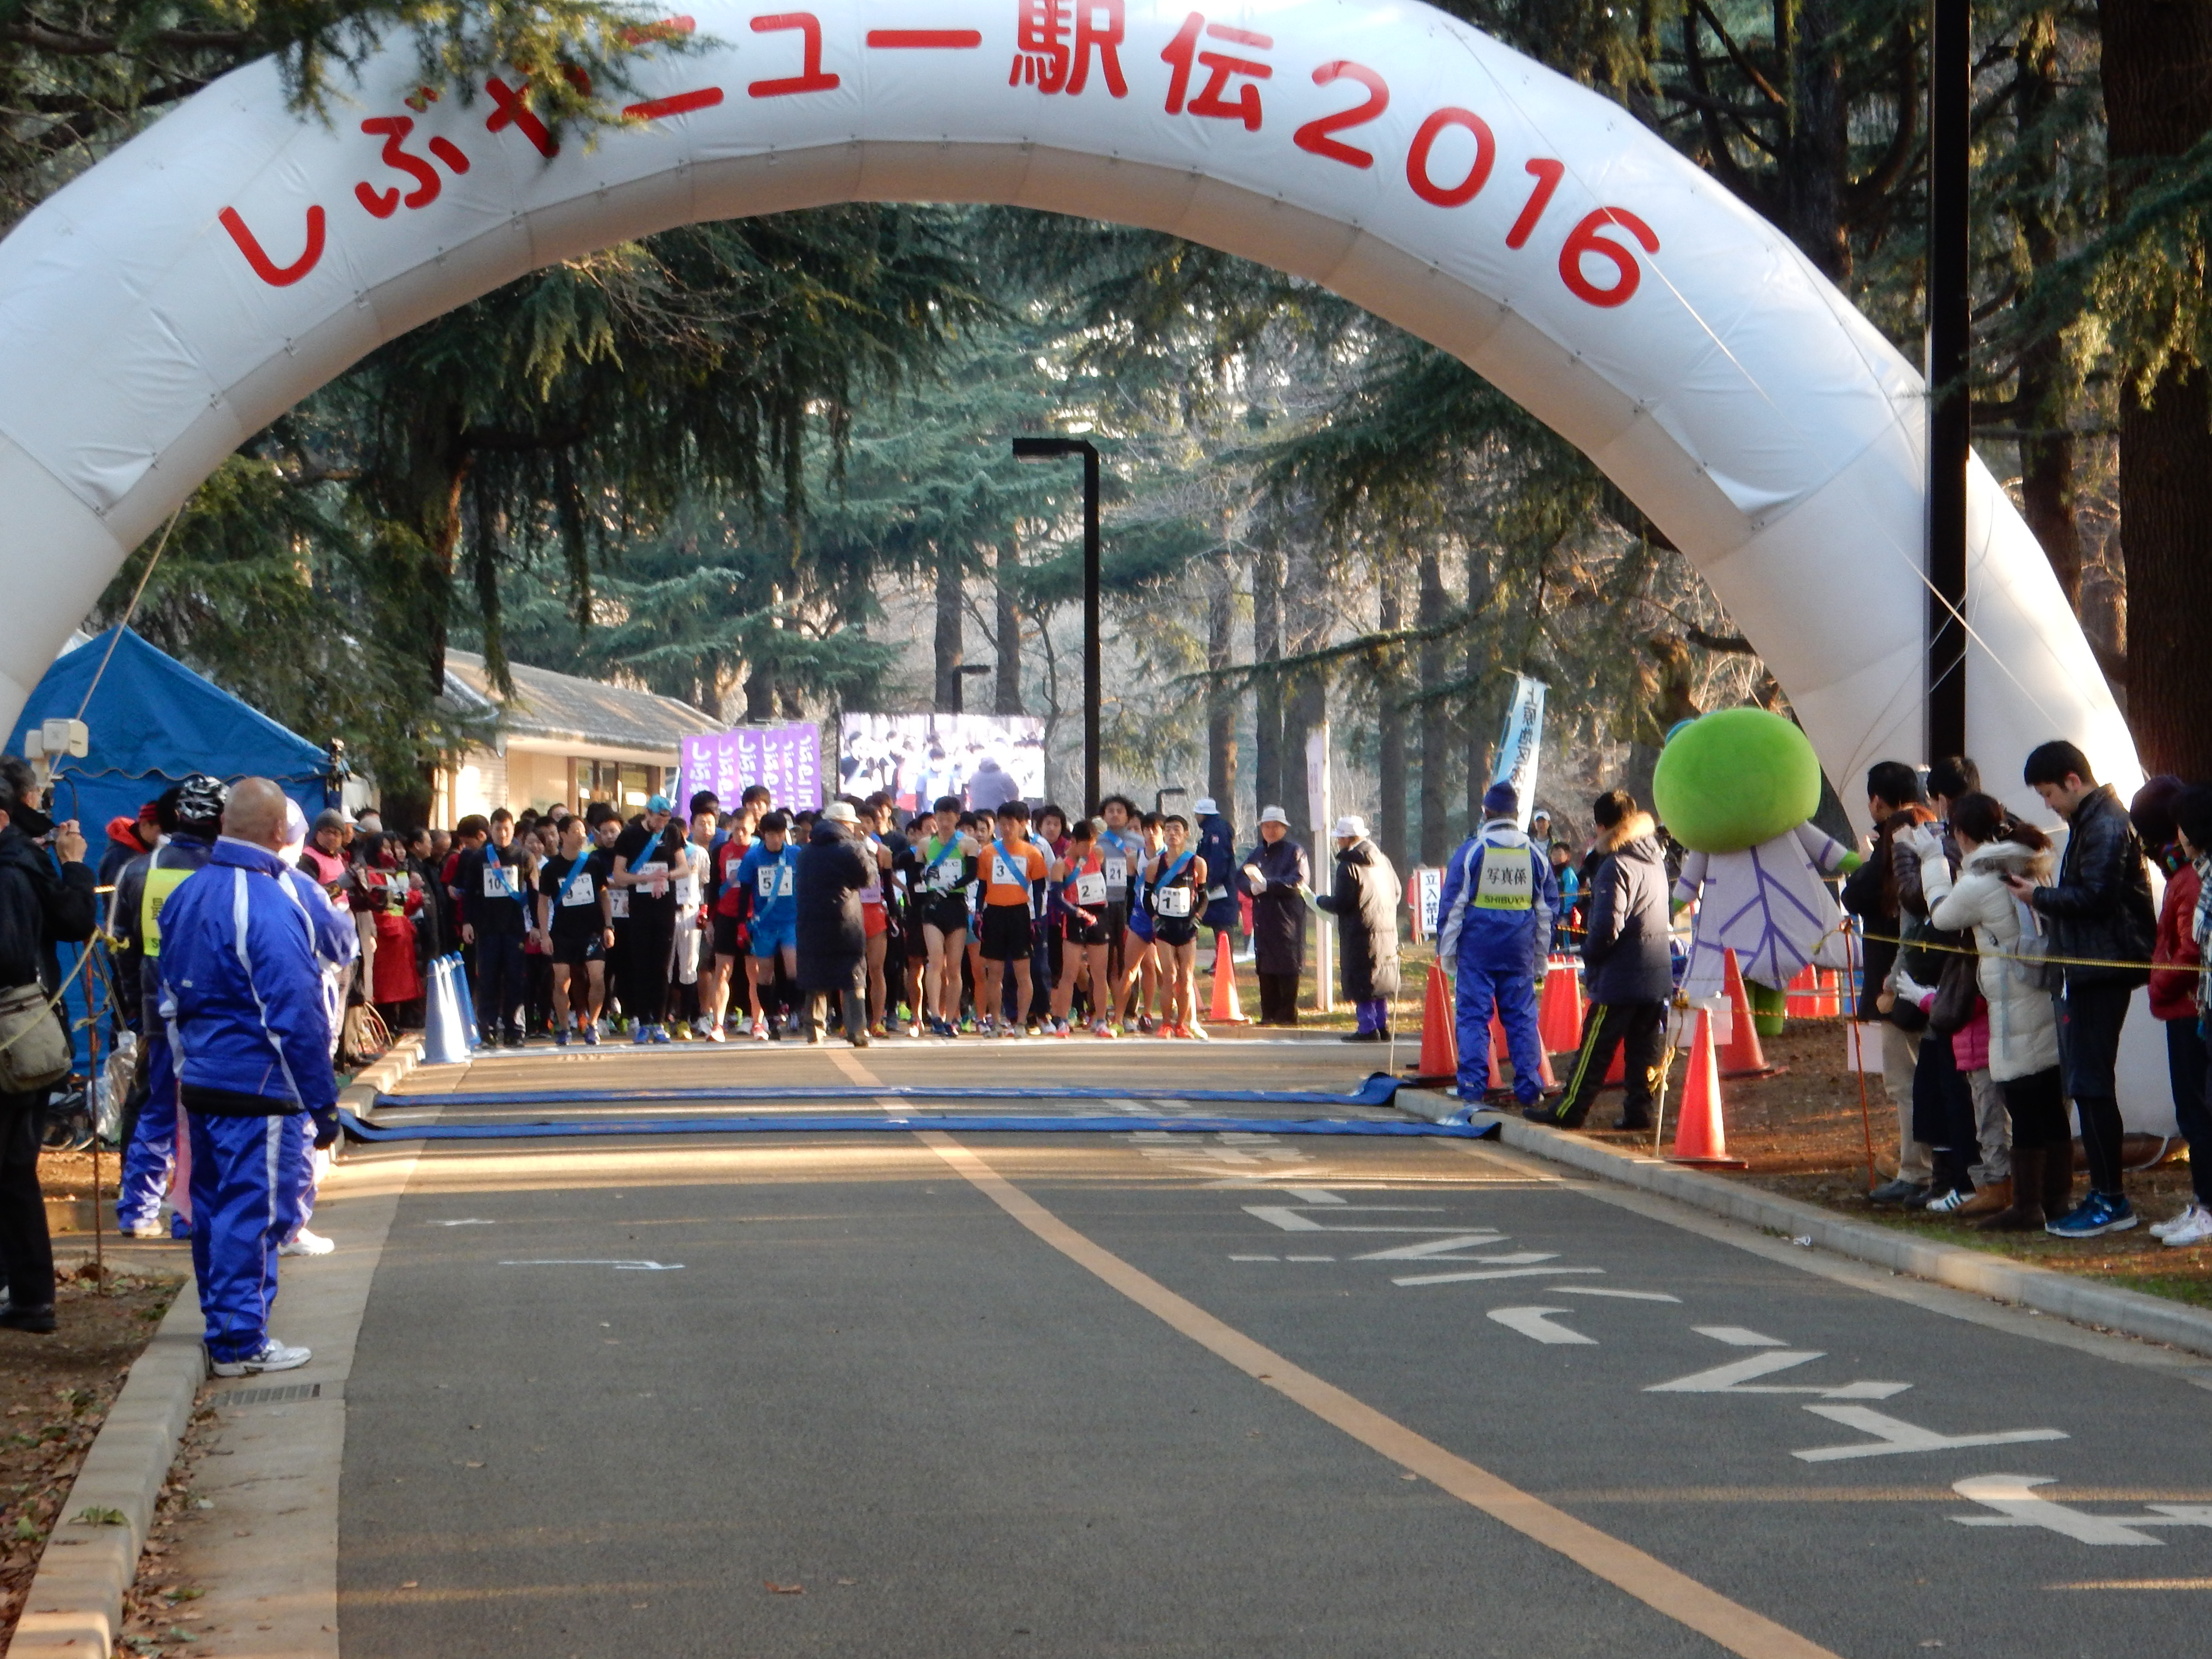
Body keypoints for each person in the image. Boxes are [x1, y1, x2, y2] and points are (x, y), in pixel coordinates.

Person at [157, 779, 337, 1375]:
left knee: (213, 1208)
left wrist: (185, 1070)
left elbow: (170, 994)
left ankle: (226, 1324)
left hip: (204, 1077)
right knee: (252, 1213)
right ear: (278, 832)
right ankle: (240, 1338)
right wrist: (323, 1104)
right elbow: (297, 1014)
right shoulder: (268, 901)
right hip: (257, 1084)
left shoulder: (188, 893)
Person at [2004, 741, 2157, 1238]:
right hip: (2086, 968)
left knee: (2092, 1085)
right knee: (2087, 1085)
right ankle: (2103, 1195)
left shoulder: (2108, 823)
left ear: (2073, 780)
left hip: (2101, 967)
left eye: (2049, 793)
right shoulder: (2092, 823)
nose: (2047, 804)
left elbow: (2096, 896)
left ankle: (2111, 1199)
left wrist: (2038, 896)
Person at [1900, 792, 2066, 1231]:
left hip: (2013, 1003)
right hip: (2046, 993)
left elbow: (1940, 916)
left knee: (2024, 1101)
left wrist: (1934, 860)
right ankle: (2057, 1200)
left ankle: (2028, 1205)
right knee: (2050, 1100)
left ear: (1959, 833)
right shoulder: (2029, 863)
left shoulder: (1980, 880)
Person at [0, 762, 96, 1333]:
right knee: (12, 1168)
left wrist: (77, 870)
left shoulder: (13, 869)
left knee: (12, 1169)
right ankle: (24, 1289)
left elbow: (14, 955)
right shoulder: (24, 861)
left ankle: (32, 1295)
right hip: (26, 1034)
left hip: (16, 1038)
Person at [112, 773, 226, 1238]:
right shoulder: (229, 872)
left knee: (159, 1112)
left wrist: (135, 1009)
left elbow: (121, 948)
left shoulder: (139, 871)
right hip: (218, 1017)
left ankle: (137, 1211)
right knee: (209, 1118)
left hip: (160, 1010)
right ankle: (190, 1215)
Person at [1542, 790, 1671, 1130]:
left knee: (1594, 1051)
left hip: (1621, 975)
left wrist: (1590, 955)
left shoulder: (1616, 864)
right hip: (1656, 971)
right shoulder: (1654, 857)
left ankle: (1570, 1110)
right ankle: (1638, 1112)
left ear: (1601, 826)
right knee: (1644, 1050)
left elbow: (1606, 929)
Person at [1843, 761, 1938, 1205]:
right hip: (1935, 987)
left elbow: (1855, 893)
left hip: (1898, 987)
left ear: (1877, 802)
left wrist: (1880, 844)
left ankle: (1917, 1170)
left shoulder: (1895, 846)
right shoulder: (1935, 838)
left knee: (1905, 1083)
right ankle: (1932, 1167)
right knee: (1931, 1080)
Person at [1438, 782, 1557, 1110]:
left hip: (1477, 951)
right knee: (1521, 1019)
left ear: (1486, 812)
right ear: (1517, 814)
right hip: (1519, 951)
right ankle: (1529, 1087)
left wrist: (1447, 953)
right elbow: (1546, 912)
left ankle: (1474, 1086)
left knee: (1474, 1018)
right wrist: (1540, 957)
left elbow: (1453, 908)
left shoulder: (1474, 851)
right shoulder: (1535, 854)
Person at [2164, 786, 2212, 1246]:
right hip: (2203, 1006)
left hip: (2194, 1004)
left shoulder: (2202, 879)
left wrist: (2161, 985)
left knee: (2200, 1109)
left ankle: (2207, 1207)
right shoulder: (2198, 873)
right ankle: (2202, 1202)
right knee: (2197, 1109)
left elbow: (2191, 946)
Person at [1313, 815, 1402, 1042]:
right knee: (1380, 979)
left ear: (1347, 839)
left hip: (1360, 931)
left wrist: (1320, 901)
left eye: (1340, 839)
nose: (1338, 843)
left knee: (1362, 979)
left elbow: (1343, 903)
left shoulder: (1349, 866)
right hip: (1386, 928)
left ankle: (1367, 1027)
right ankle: (1382, 1026)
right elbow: (1398, 892)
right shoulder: (1383, 861)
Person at [610, 795, 686, 1045]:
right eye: (658, 817)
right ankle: (643, 1021)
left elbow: (685, 868)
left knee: (662, 967)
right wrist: (645, 879)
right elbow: (619, 875)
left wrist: (665, 876)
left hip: (665, 907)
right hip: (639, 909)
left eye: (666, 818)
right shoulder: (629, 836)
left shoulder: (672, 833)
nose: (661, 822)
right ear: (648, 814)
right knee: (641, 966)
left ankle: (660, 1022)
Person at [795, 800, 872, 1045]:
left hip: (810, 922)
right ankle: (856, 1029)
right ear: (844, 824)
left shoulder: (806, 851)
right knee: (853, 974)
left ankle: (814, 1030)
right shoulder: (851, 849)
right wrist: (867, 852)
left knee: (815, 974)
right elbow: (867, 877)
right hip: (845, 922)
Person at [536, 813, 611, 1045]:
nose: (582, 835)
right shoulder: (551, 868)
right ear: (563, 835)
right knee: (562, 981)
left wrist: (609, 926)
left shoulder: (593, 863)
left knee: (598, 979)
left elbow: (604, 895)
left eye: (583, 830)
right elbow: (543, 902)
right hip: (563, 932)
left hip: (592, 931)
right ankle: (564, 1027)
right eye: (576, 831)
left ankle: (592, 1025)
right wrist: (545, 935)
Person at [456, 808, 529, 1046]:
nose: (503, 833)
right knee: (488, 979)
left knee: (515, 980)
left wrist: (536, 927)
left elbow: (535, 893)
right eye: (498, 829)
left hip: (514, 928)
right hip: (487, 929)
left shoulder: (523, 857)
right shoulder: (478, 858)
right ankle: (486, 1027)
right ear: (491, 830)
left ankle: (515, 1029)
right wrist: (468, 922)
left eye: (507, 828)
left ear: (513, 828)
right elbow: (469, 894)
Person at [977, 802, 1050, 1036]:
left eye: (1012, 824)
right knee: (995, 972)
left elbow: (1039, 890)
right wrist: (979, 913)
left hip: (1020, 914)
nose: (1007, 829)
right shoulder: (989, 852)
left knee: (1023, 971)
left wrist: (1037, 919)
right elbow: (982, 886)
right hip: (995, 914)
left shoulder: (1032, 853)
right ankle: (996, 1022)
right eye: (1003, 824)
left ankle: (1021, 1022)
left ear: (1022, 825)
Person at [1239, 805, 1309, 1026]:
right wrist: (1252, 887)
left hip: (1287, 919)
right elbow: (1240, 877)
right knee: (1266, 966)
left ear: (1284, 829)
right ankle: (1268, 1013)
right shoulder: (1257, 853)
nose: (1270, 830)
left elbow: (1298, 881)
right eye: (1267, 826)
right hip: (1263, 919)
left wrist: (1268, 885)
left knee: (1287, 966)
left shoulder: (1295, 852)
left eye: (1275, 826)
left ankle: (1287, 1014)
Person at [912, 798, 976, 1038]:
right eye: (940, 816)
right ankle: (935, 1016)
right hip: (933, 906)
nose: (945, 821)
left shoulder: (967, 844)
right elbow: (915, 875)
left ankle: (951, 1019)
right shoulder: (925, 844)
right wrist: (924, 877)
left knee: (955, 968)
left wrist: (950, 885)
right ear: (935, 818)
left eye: (950, 816)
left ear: (957, 818)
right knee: (935, 961)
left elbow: (972, 873)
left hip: (956, 905)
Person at [736, 812, 802, 1040]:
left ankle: (795, 1010)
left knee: (794, 968)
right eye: (772, 834)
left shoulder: (795, 854)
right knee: (764, 974)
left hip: (790, 921)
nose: (776, 839)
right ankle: (771, 1018)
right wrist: (741, 924)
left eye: (780, 834)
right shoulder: (753, 858)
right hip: (763, 924)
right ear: (763, 834)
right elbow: (744, 893)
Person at [1047, 818, 1115, 1037]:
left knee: (1099, 972)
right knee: (1070, 972)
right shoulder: (1061, 865)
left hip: (1097, 916)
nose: (1089, 849)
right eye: (1085, 844)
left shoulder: (1098, 854)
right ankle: (1063, 1020)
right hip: (1075, 917)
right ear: (1074, 842)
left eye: (1093, 844)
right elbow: (1056, 898)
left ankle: (1101, 1020)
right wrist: (1076, 912)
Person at [1145, 813, 1209, 1039]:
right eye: (1168, 829)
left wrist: (1197, 919)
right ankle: (1166, 1024)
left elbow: (1203, 897)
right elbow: (1146, 899)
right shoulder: (1155, 865)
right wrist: (1155, 920)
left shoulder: (1197, 863)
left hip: (1187, 927)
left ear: (1186, 834)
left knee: (1186, 975)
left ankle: (1182, 1024)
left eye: (1177, 830)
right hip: (1164, 929)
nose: (1172, 834)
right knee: (1169, 976)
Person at [1192, 795, 1239, 964]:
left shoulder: (1216, 832)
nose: (1196, 818)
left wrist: (1209, 883)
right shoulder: (1213, 830)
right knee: (1218, 924)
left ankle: (1225, 963)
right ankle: (1220, 961)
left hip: (1221, 887)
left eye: (1198, 814)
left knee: (1223, 925)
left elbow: (1218, 860)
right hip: (1218, 886)